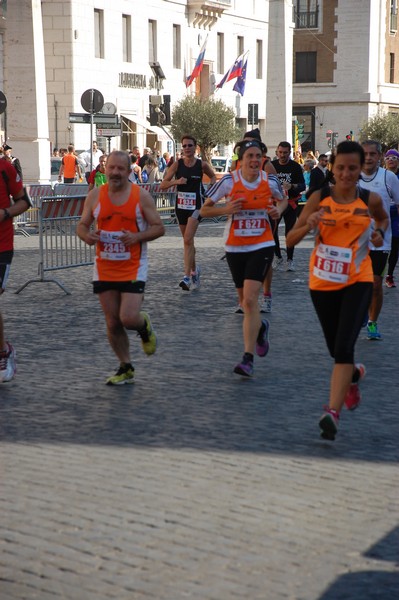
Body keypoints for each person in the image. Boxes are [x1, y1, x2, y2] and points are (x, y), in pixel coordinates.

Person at [286, 140, 388, 441]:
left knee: (344, 347)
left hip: (358, 280)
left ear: (361, 170)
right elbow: (290, 240)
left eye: (352, 168)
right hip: (322, 283)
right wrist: (309, 224)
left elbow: (382, 219)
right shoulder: (319, 197)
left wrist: (379, 233)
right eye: (340, 168)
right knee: (335, 349)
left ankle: (332, 412)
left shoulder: (369, 200)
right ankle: (352, 377)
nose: (346, 174)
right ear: (331, 168)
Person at [76, 150, 165, 385]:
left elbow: (158, 227)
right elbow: (82, 225)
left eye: (121, 169)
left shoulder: (141, 196)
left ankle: (143, 325)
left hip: (133, 266)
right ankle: (125, 366)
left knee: (127, 318)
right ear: (105, 169)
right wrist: (87, 236)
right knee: (112, 321)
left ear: (129, 171)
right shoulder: (95, 195)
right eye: (111, 168)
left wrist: (137, 237)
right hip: (104, 266)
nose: (115, 172)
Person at [200, 139, 286, 377]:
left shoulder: (269, 181)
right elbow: (205, 210)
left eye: (258, 156)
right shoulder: (229, 182)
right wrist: (225, 210)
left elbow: (283, 199)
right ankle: (260, 328)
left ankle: (247, 359)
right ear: (241, 160)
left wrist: (279, 210)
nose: (255, 160)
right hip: (235, 248)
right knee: (245, 303)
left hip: (262, 245)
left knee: (250, 300)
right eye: (250, 156)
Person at [160, 134, 216, 290]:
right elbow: (163, 184)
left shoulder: (202, 165)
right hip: (181, 207)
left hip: (196, 207)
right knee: (188, 241)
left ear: (195, 147)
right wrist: (177, 181)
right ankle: (194, 270)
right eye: (184, 146)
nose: (186, 148)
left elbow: (213, 177)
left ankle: (186, 277)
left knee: (188, 239)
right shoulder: (177, 165)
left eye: (189, 145)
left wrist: (210, 190)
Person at [359, 140, 399, 339]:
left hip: (380, 241)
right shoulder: (352, 176)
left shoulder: (388, 177)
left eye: (372, 154)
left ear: (379, 156)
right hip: (355, 242)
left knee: (375, 284)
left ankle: (373, 322)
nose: (368, 157)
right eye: (364, 153)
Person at [0, 160, 31, 382]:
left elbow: (24, 202)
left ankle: (3, 351)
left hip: (1, 246)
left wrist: (5, 213)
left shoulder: (4, 168)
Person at [271, 141, 306, 271]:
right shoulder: (272, 166)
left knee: (289, 232)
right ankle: (278, 256)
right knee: (272, 230)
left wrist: (292, 186)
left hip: (291, 203)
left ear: (289, 153)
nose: (282, 155)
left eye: (285, 153)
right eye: (280, 152)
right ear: (277, 152)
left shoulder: (295, 167)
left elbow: (302, 185)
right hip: (276, 203)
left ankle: (290, 259)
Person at [383, 148, 399, 287]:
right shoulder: (381, 175)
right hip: (381, 213)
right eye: (388, 158)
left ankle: (389, 275)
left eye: (394, 158)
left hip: (396, 214)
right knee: (380, 246)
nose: (391, 160)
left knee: (395, 244)